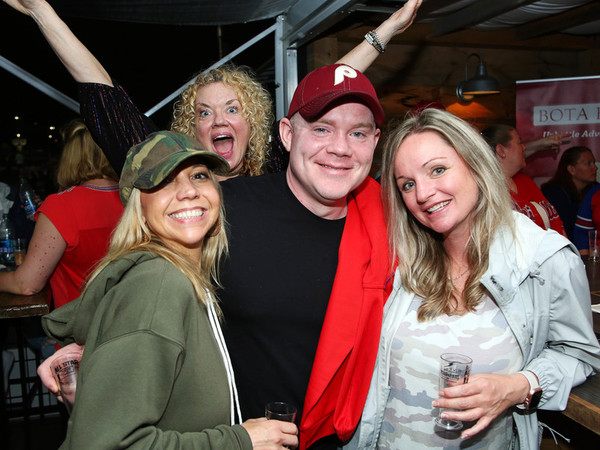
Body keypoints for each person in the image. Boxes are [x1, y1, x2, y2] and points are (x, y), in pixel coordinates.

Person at [39, 63, 395, 449]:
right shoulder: (219, 209)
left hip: (350, 437)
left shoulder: (395, 224)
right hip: (237, 438)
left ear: (374, 141)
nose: (340, 147)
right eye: (322, 129)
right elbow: (144, 270)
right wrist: (93, 341)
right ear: (288, 134)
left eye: (357, 133)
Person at [347, 108, 600, 449]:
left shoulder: (542, 259)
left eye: (438, 170)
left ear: (476, 164)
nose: (423, 193)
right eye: (407, 184)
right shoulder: (400, 259)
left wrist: (519, 386)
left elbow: (580, 355)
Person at [41, 130, 298, 449]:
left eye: (199, 175)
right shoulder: (159, 285)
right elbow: (104, 444)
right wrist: (239, 441)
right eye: (164, 181)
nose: (188, 191)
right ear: (139, 206)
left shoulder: (189, 277)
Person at [4, 0, 421, 177]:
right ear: (193, 129)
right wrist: (42, 12)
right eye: (204, 113)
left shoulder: (278, 170)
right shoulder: (174, 176)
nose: (218, 119)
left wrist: (386, 30)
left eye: (232, 109)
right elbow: (103, 95)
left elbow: (328, 90)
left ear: (255, 124)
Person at [0, 118, 123, 311]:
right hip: (129, 320)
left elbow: (26, 284)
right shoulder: (136, 198)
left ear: (69, 157)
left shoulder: (62, 205)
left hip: (81, 325)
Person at [481, 124, 566, 235]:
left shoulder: (525, 181)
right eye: (519, 143)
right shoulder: (488, 193)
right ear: (501, 151)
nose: (524, 147)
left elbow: (556, 222)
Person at [541, 146, 597, 241]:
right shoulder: (554, 194)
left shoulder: (595, 190)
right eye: (588, 163)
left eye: (594, 163)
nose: (595, 168)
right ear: (571, 169)